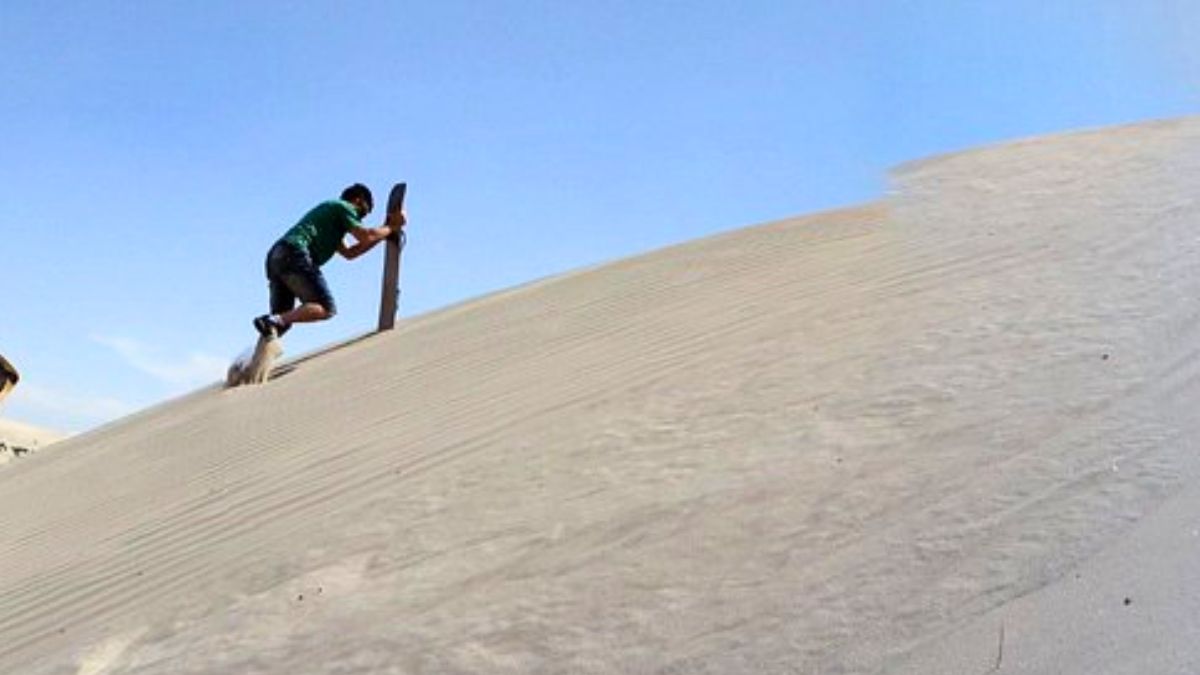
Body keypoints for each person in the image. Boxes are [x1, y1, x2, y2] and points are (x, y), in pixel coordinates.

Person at [253, 183, 406, 338]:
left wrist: (384, 234)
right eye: (361, 214)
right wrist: (391, 227)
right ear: (358, 201)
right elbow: (366, 236)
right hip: (294, 253)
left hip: (276, 258)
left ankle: (253, 358)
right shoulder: (343, 207)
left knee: (279, 325)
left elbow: (350, 253)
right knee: (326, 307)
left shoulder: (331, 220)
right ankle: (272, 320)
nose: (359, 219)